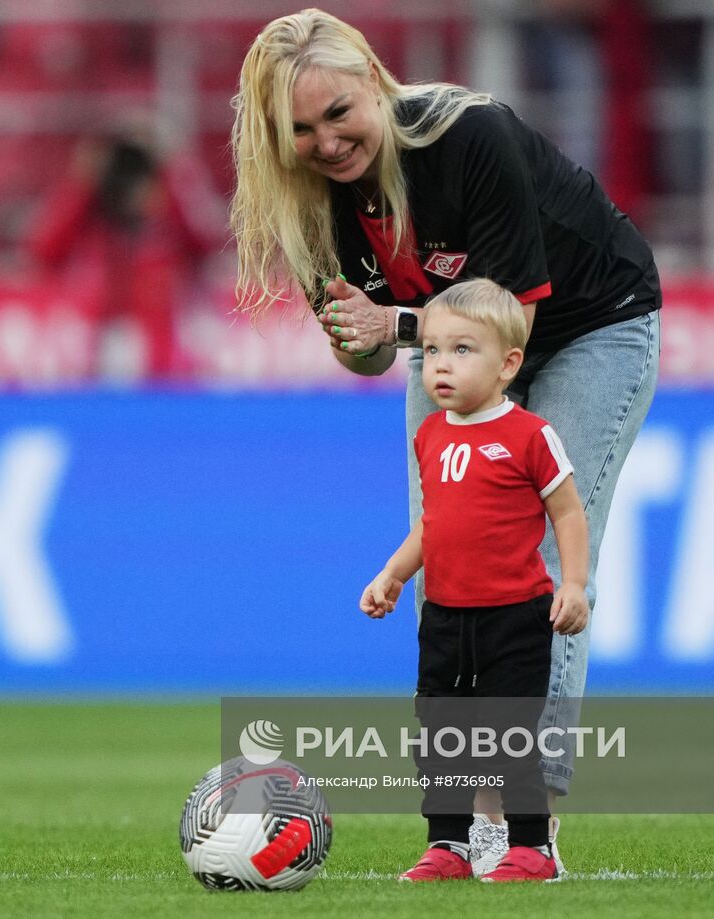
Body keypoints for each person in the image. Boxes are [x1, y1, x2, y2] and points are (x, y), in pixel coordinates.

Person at [229, 8, 660, 875]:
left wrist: (390, 322)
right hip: (448, 345)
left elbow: (512, 323)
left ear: (376, 86)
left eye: (340, 113)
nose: (326, 142)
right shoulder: (310, 199)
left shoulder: (471, 137)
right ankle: (468, 813)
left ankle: (522, 817)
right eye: (301, 130)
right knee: (452, 563)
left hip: (590, 325)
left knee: (534, 552)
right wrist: (358, 340)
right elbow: (368, 355)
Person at [360, 279, 589, 883]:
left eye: (463, 350)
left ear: (508, 363)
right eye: (432, 351)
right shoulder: (430, 435)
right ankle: (448, 846)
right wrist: (393, 574)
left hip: (514, 615)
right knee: (441, 734)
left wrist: (574, 585)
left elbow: (567, 510)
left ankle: (531, 848)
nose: (441, 365)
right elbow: (433, 524)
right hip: (444, 615)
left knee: (510, 734)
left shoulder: (529, 435)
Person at [26, 125, 225, 381]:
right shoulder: (92, 219)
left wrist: (172, 174)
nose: (132, 185)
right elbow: (44, 251)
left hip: (164, 357)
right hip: (97, 349)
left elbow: (207, 245)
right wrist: (83, 184)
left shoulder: (169, 223)